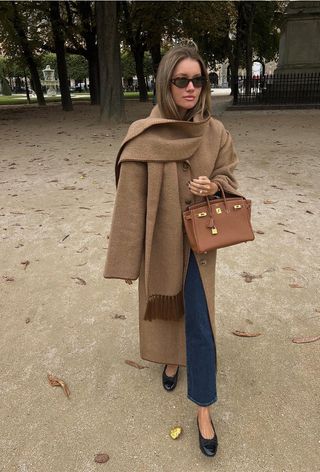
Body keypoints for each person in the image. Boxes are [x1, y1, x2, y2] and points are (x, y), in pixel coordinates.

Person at [104, 45, 242, 457]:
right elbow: (129, 200)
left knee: (199, 323)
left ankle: (203, 407)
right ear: (166, 83)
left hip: (199, 242)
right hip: (158, 242)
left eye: (198, 80)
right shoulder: (144, 132)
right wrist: (127, 259)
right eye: (181, 80)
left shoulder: (215, 131)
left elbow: (228, 173)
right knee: (168, 307)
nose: (191, 88)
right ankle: (170, 358)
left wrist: (214, 186)